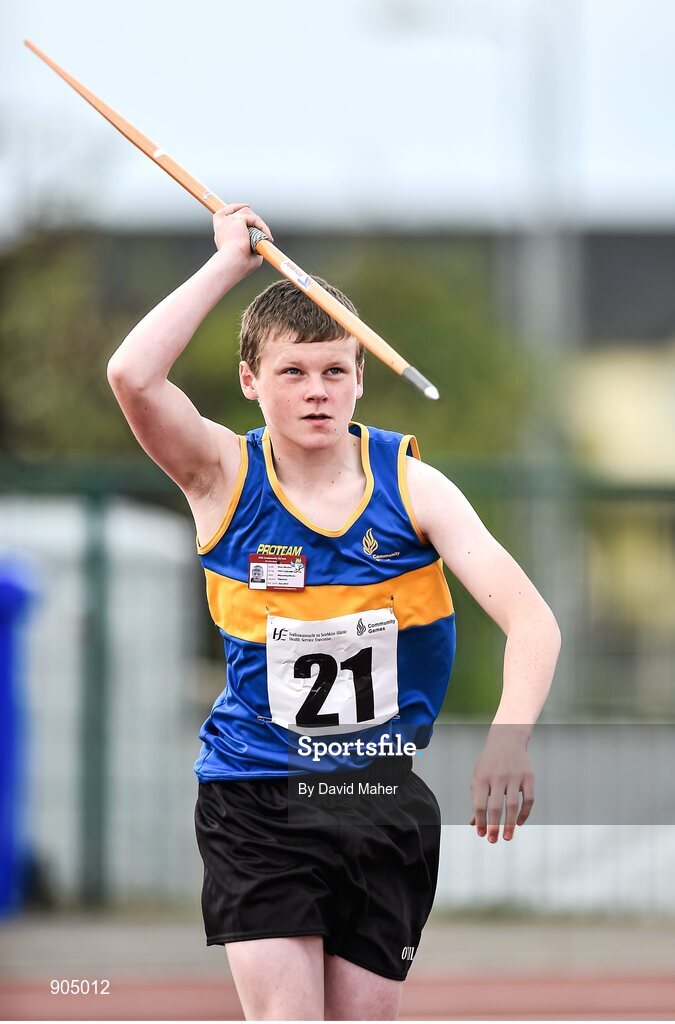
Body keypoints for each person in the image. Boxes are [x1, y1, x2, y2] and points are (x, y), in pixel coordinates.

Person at [107, 203, 562, 1021]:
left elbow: (531, 620)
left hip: (378, 792)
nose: (316, 392)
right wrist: (227, 264)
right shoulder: (220, 477)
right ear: (251, 381)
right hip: (256, 791)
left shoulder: (413, 488)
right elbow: (133, 377)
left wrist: (508, 741)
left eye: (333, 372)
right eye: (292, 373)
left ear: (359, 375)